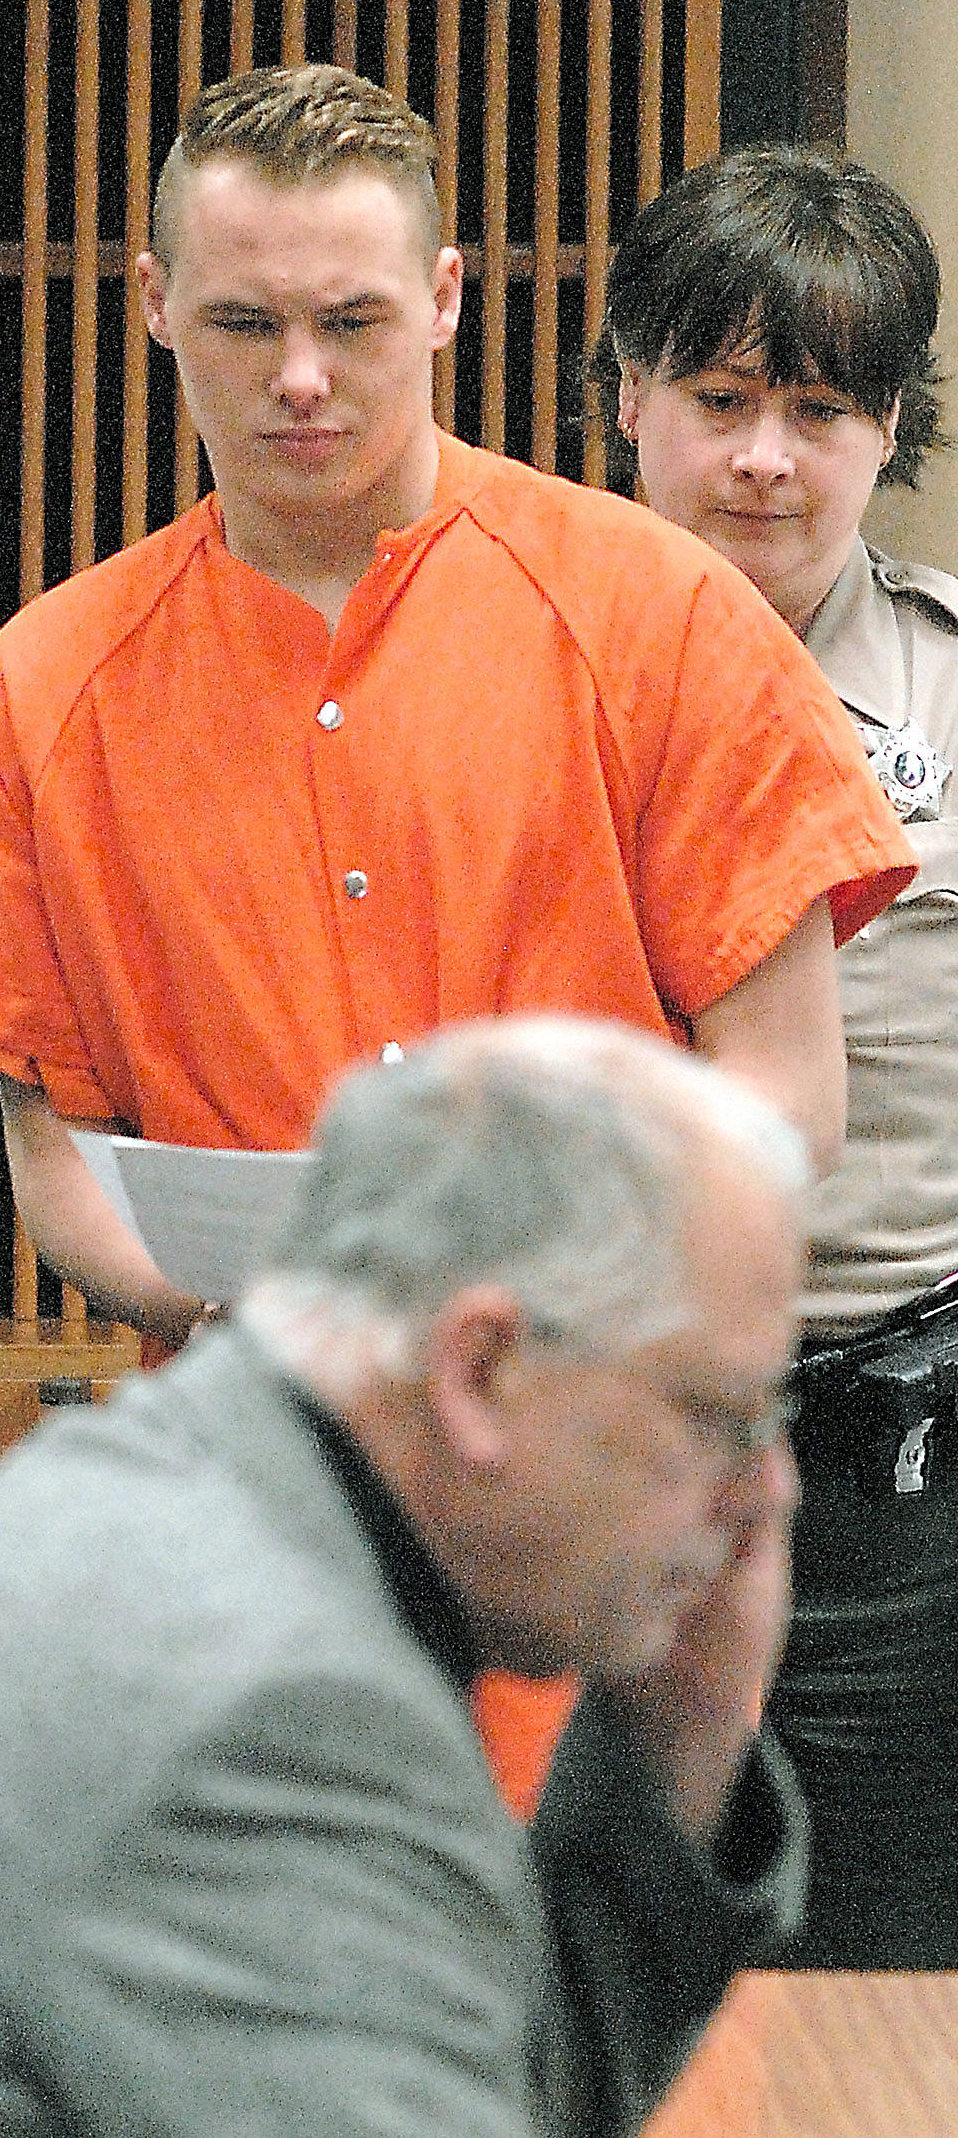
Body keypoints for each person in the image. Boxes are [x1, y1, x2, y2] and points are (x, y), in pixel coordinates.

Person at [0, 67, 913, 1809]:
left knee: (606, 1961)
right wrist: (300, 1319)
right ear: (155, 307)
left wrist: (537, 1291)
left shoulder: (660, 615)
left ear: (444, 301)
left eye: (353, 321)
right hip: (251, 1494)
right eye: (246, 322)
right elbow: (53, 1157)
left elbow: (790, 1099)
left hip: (596, 1479)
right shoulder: (46, 686)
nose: (300, 377)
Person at [0, 1016, 809, 2136]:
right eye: (720, 1415)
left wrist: (681, 1735)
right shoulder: (274, 1713)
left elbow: (481, 2085)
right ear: (480, 1370)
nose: (766, 1489)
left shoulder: (181, 1498)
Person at [595, 143, 958, 1966]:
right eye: (721, 399)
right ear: (626, 397)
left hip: (901, 1471)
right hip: (578, 1450)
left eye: (821, 411)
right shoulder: (496, 666)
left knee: (886, 2001)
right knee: (582, 1987)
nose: (764, 458)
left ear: (891, 427)